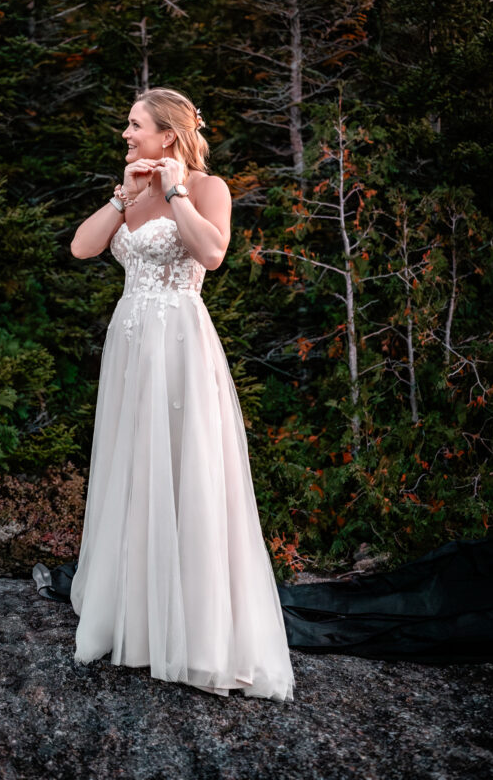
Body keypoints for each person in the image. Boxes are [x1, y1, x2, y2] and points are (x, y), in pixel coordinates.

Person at [68, 86, 295, 700]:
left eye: (134, 124)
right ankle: (135, 618)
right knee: (134, 466)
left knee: (186, 466)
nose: (125, 133)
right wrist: (125, 195)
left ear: (168, 134)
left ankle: (193, 624)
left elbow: (213, 254)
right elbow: (83, 247)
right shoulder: (131, 189)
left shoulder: (209, 187)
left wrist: (173, 190)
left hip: (180, 342)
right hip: (130, 343)